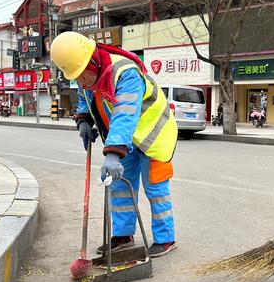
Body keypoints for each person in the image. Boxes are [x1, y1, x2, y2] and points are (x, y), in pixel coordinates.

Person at [50, 31, 179, 258]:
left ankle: (166, 238)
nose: (81, 82)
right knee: (120, 187)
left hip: (154, 138)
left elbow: (124, 114)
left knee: (156, 189)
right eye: (76, 77)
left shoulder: (125, 73)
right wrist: (83, 120)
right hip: (123, 139)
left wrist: (113, 153)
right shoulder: (87, 74)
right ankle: (123, 235)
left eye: (82, 75)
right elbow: (84, 97)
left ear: (92, 61)